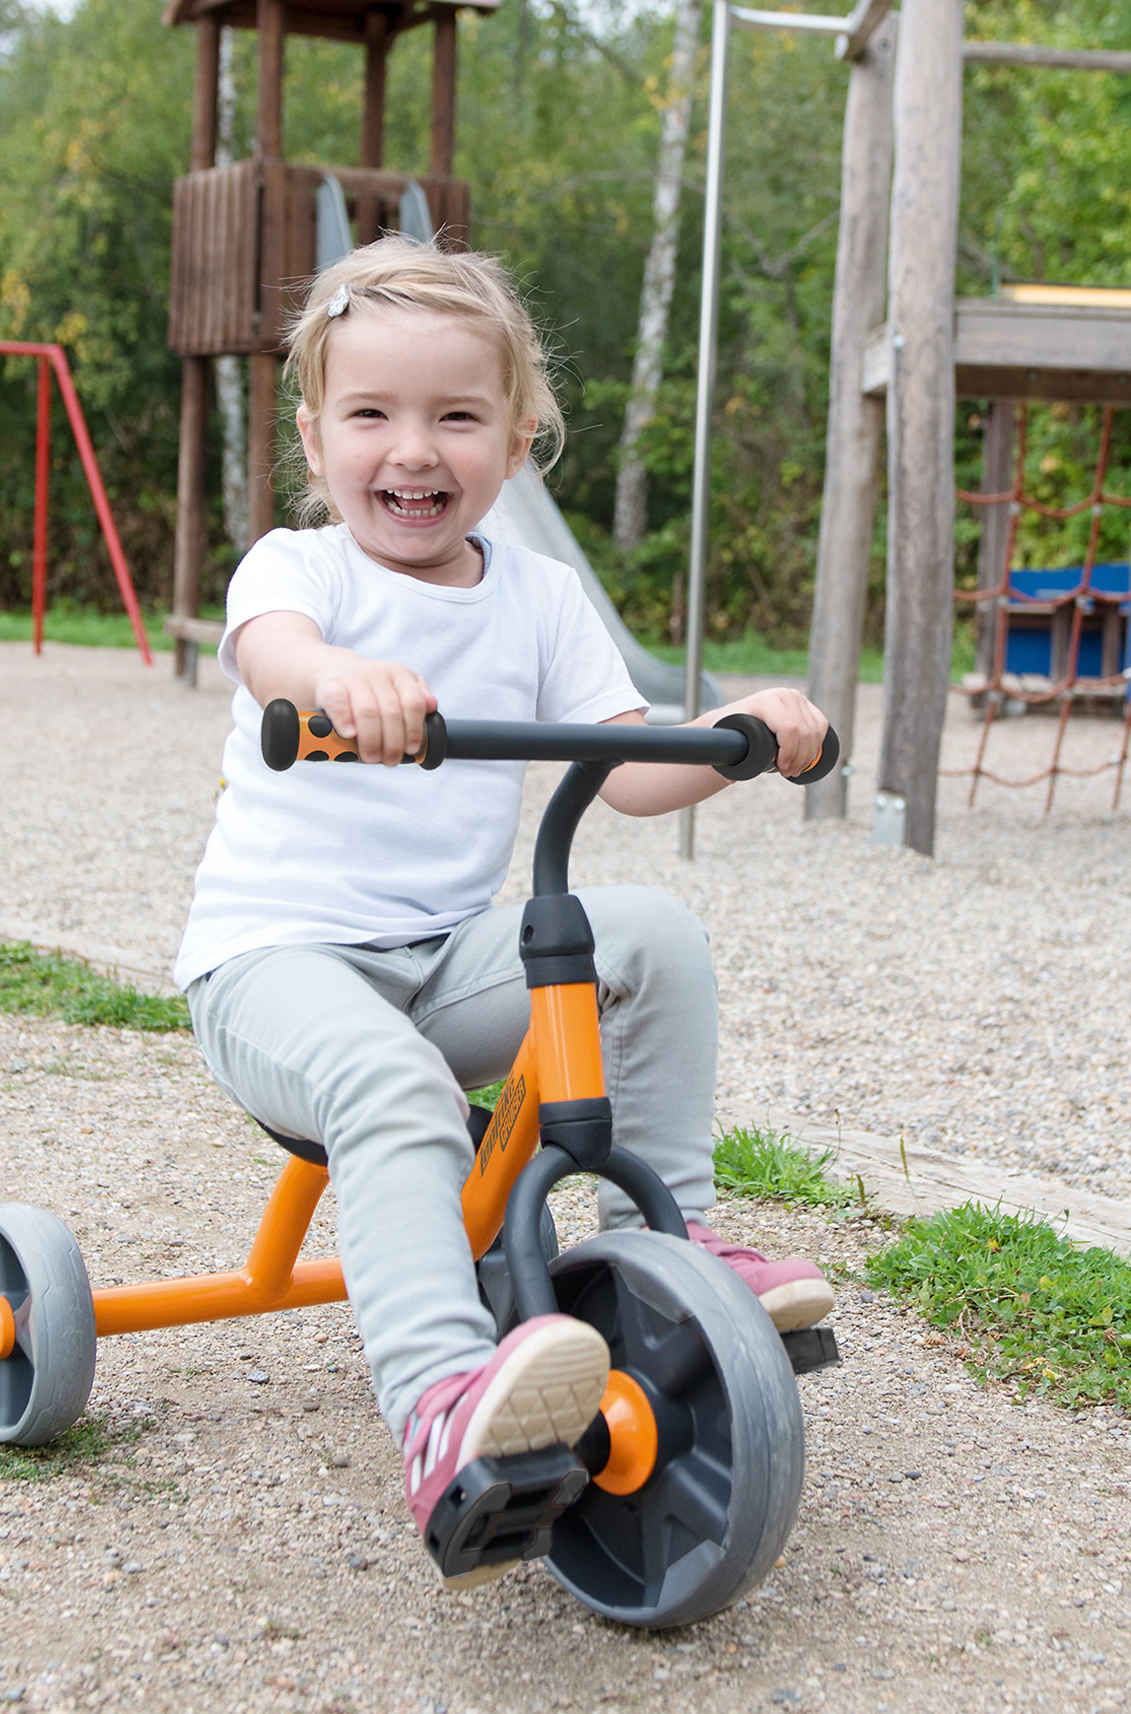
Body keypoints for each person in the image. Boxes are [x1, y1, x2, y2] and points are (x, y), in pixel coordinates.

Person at [176, 238, 834, 1592]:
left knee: (647, 935)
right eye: (372, 415)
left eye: (457, 416)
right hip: (272, 968)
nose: (412, 450)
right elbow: (275, 656)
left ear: (518, 441)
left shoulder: (538, 595)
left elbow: (631, 767)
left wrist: (740, 729)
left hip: (436, 961)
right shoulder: (297, 575)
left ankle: (665, 1250)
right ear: (314, 434)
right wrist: (344, 677)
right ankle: (437, 1403)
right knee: (392, 1080)